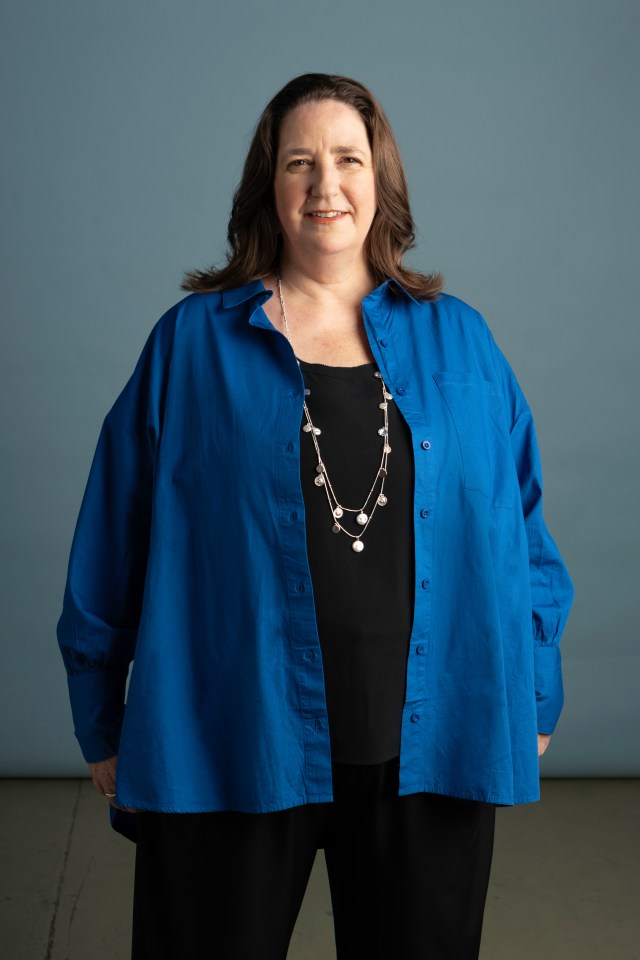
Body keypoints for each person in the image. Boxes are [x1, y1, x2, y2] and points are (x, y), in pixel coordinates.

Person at [57, 73, 574, 960]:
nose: (325, 186)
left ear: (381, 181)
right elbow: (116, 528)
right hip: (230, 735)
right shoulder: (192, 345)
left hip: (433, 745)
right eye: (300, 162)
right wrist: (101, 714)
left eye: (347, 159)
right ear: (270, 186)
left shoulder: (466, 343)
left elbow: (521, 527)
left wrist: (532, 685)